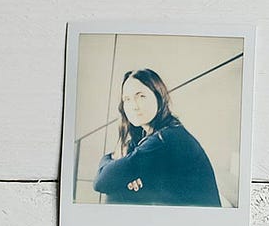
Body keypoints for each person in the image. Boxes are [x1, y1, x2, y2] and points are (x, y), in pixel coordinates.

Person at [93, 68, 222, 207]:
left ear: (158, 97)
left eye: (141, 96)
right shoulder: (151, 133)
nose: (134, 106)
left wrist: (111, 161)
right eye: (127, 99)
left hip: (200, 218)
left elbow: (102, 182)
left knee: (116, 192)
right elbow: (111, 174)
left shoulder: (165, 139)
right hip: (184, 213)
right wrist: (121, 170)